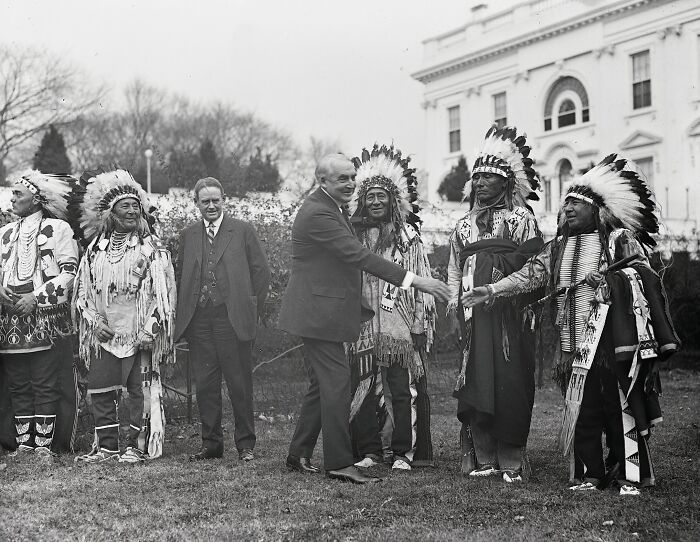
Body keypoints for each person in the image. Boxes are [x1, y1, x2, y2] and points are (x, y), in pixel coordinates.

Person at [463, 154, 680, 495]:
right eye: (565, 205)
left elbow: (644, 274)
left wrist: (614, 279)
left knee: (620, 407)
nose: (568, 210)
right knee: (584, 410)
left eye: (576, 204)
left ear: (598, 210)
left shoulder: (617, 239)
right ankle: (591, 475)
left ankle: (631, 476)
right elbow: (530, 275)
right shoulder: (559, 246)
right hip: (574, 345)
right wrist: (491, 289)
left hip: (612, 344)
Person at [278, 153, 450, 484]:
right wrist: (416, 280)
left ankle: (298, 454)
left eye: (350, 178)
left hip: (318, 312)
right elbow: (358, 255)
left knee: (321, 384)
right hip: (317, 314)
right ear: (322, 181)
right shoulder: (319, 213)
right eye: (341, 178)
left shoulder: (329, 207)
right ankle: (340, 463)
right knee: (337, 383)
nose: (349, 184)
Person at [447, 125, 543, 483]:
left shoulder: (522, 219)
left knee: (511, 383)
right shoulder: (462, 225)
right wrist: (455, 308)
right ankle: (485, 458)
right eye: (477, 178)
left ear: (507, 183)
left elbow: (536, 268)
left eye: (490, 177)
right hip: (474, 320)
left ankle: (512, 461)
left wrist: (497, 286)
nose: (482, 183)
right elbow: (454, 268)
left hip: (510, 320)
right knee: (476, 382)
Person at [74, 169, 176, 463]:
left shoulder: (152, 249)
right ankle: (106, 447)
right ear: (111, 212)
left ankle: (136, 446)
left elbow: (163, 294)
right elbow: (83, 293)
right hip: (106, 333)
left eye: (135, 206)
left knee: (138, 392)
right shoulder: (95, 251)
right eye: (125, 206)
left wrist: (150, 328)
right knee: (102, 391)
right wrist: (94, 322)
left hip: (138, 333)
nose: (132, 211)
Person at [347, 145, 436, 471]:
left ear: (394, 199)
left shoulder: (406, 236)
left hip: (397, 326)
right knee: (364, 388)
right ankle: (371, 451)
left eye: (381, 196)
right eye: (369, 196)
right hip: (361, 325)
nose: (374, 201)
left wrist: (418, 324)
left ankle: (402, 453)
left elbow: (421, 283)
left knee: (401, 390)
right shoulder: (353, 235)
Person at [174, 177, 270, 462]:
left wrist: (250, 308)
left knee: (239, 383)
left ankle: (245, 445)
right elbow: (182, 277)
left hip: (233, 319)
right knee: (205, 384)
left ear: (224, 199)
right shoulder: (188, 235)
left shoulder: (241, 230)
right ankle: (211, 444)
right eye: (206, 202)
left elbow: (261, 273)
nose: (212, 206)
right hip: (200, 320)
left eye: (216, 200)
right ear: (197, 204)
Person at [0, 171, 79, 459]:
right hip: (10, 319)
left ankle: (44, 446)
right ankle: (24, 445)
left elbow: (71, 273)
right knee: (18, 383)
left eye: (18, 194)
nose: (13, 198)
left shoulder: (58, 229)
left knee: (44, 382)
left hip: (45, 317)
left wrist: (36, 297)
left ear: (36, 199)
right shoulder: (5, 233)